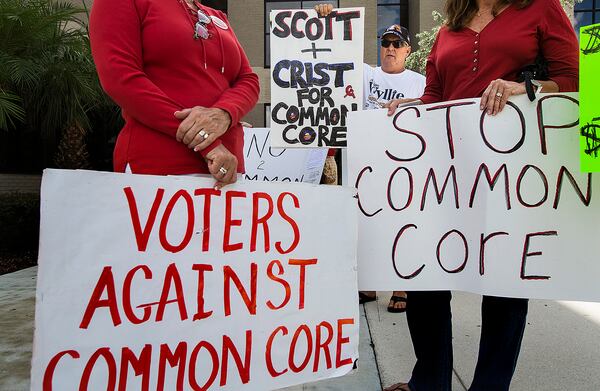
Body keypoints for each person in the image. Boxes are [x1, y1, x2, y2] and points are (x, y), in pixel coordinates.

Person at [383, 0, 578, 390]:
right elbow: (435, 97)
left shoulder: (541, 8)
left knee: (505, 284)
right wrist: (410, 108)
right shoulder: (447, 30)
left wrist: (523, 88)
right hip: (448, 171)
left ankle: (490, 385)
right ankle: (430, 382)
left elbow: (574, 82)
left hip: (512, 174)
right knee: (424, 277)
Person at [315, 4, 425, 313]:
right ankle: (368, 284)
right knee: (364, 223)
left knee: (400, 223)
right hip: (363, 161)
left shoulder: (418, 82)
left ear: (407, 50)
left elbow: (433, 107)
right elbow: (335, 53)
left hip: (402, 163)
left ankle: (401, 287)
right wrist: (328, 19)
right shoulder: (364, 73)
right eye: (385, 43)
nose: (390, 48)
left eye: (396, 44)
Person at [89, 0, 259, 187]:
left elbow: (248, 80)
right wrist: (208, 143)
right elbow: (121, 78)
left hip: (227, 168)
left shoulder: (217, 16)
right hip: (160, 166)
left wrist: (223, 113)